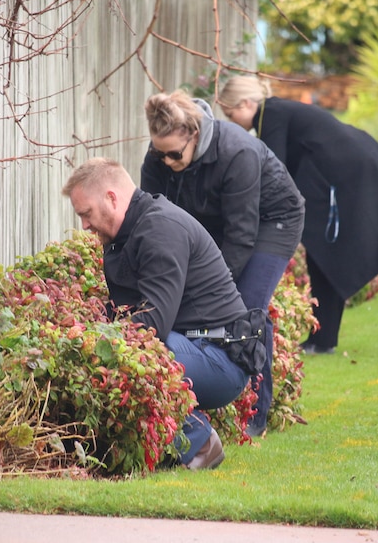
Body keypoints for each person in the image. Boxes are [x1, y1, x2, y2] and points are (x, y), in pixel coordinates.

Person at [62, 157, 254, 470]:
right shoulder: (127, 232)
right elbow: (126, 312)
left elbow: (152, 324)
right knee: (119, 349)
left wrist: (97, 341)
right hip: (193, 346)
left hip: (222, 359)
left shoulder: (160, 229)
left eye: (87, 213)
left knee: (132, 354)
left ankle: (200, 443)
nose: (84, 225)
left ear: (112, 198)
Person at [141, 90, 305, 438]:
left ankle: (255, 415)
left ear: (194, 135)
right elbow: (151, 220)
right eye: (160, 154)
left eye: (173, 154)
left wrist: (210, 287)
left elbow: (241, 236)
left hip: (272, 220)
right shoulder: (159, 157)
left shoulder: (238, 151)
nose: (166, 162)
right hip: (217, 219)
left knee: (246, 307)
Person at [217, 75, 378, 354]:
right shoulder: (275, 111)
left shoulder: (270, 113)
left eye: (231, 113)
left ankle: (322, 341)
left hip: (350, 174)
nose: (232, 121)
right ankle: (322, 340)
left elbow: (272, 170)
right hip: (353, 166)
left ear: (247, 103)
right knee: (324, 256)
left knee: (328, 254)